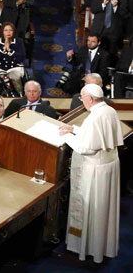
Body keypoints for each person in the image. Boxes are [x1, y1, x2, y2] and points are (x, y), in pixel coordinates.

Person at [58, 84, 124, 263]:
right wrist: (74, 129)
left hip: (94, 172)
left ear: (90, 98)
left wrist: (64, 136)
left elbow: (85, 147)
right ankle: (101, 247)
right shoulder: (108, 110)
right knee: (102, 211)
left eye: (82, 97)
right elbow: (95, 136)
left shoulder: (94, 117)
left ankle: (85, 249)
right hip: (107, 166)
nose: (82, 101)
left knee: (90, 210)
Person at [0, 22, 26, 94]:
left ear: (14, 32)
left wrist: (10, 50)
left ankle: (20, 94)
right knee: (3, 78)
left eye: (10, 30)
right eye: (6, 30)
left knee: (14, 76)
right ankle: (6, 92)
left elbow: (21, 58)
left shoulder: (19, 42)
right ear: (2, 32)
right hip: (0, 68)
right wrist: (3, 49)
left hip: (15, 67)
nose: (8, 32)